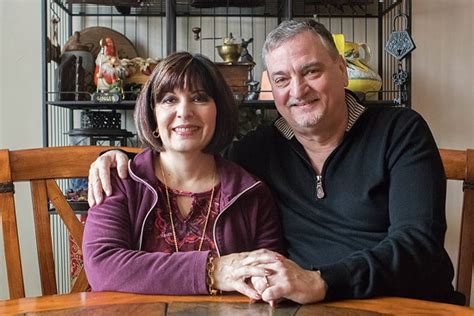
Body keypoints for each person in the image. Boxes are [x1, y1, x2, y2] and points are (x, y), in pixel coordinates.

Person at [88, 20, 463, 305]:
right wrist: (114, 158)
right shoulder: (257, 151)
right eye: (282, 78)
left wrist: (322, 281)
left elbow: (419, 243)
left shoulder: (399, 131)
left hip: (408, 303)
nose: (297, 91)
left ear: (342, 70)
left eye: (311, 71)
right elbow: (185, 154)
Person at [82, 52, 283, 298]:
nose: (184, 111)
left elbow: (270, 275)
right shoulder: (120, 181)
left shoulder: (251, 193)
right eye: (169, 100)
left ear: (219, 111)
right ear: (152, 114)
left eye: (199, 98)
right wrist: (213, 271)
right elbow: (102, 267)